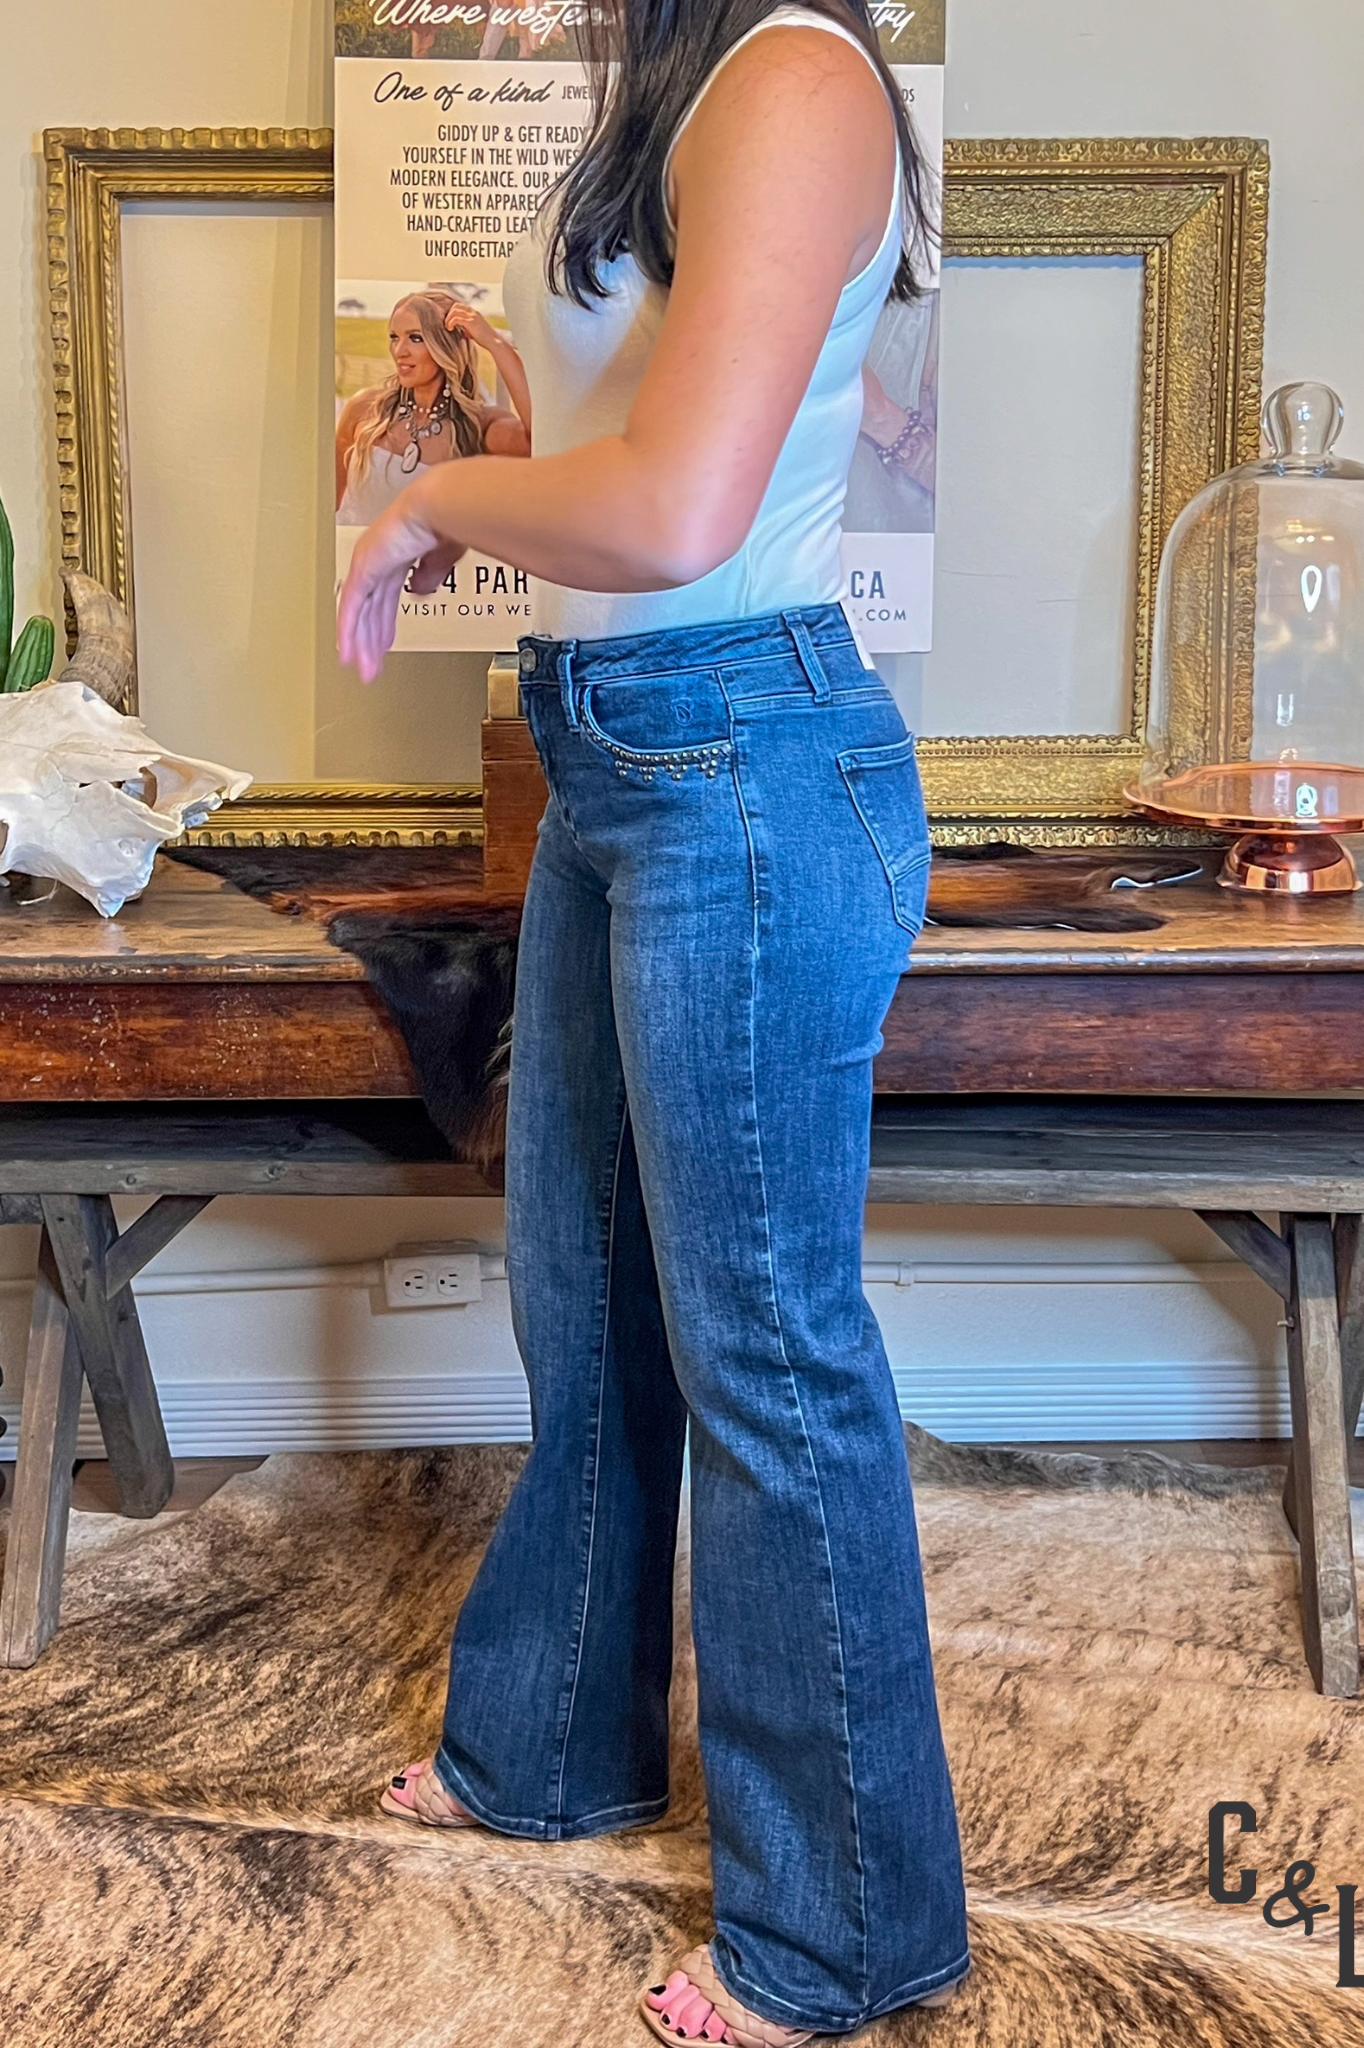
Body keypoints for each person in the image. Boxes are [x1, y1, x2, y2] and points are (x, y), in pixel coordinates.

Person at [338, 3, 970, 2040]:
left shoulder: (791, 76)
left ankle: (846, 1925)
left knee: (764, 1351)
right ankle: (548, 1743)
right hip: (622, 760)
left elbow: (683, 510)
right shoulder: (686, 78)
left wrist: (439, 507)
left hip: (747, 772)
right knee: (587, 1302)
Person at [335, 290, 531, 524]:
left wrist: (495, 342)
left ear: (446, 346)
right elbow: (323, 505)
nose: (399, 351)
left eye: (415, 338)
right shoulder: (364, 410)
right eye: (395, 337)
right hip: (352, 557)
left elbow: (542, 442)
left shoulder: (479, 426)